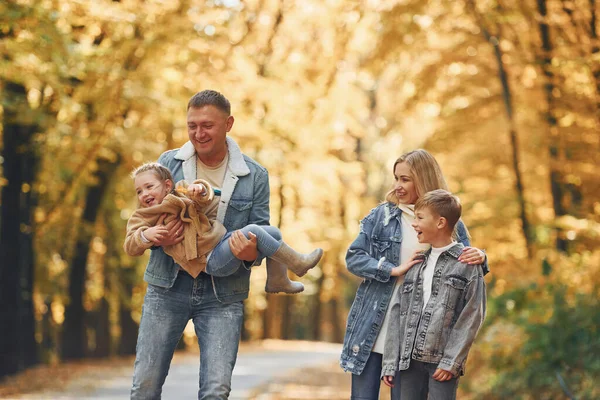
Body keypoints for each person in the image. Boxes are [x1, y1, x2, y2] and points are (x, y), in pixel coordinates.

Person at [130, 90, 282, 399]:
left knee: (216, 391)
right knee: (145, 386)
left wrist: (250, 254)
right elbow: (147, 216)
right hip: (166, 287)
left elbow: (260, 235)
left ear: (228, 124)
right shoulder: (167, 163)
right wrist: (158, 236)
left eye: (207, 126)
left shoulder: (255, 176)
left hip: (222, 294)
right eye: (192, 125)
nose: (199, 134)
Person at [339, 149, 489, 400]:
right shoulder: (382, 216)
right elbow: (354, 258)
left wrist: (483, 257)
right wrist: (391, 269)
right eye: (396, 178)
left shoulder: (447, 219)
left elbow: (464, 264)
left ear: (424, 178)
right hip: (373, 328)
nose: (398, 186)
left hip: (412, 337)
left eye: (405, 179)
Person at [124, 162, 322, 293]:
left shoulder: (181, 191)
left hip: (219, 242)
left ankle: (277, 280)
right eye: (139, 191)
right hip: (208, 260)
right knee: (254, 229)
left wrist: (200, 189)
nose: (144, 194)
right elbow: (130, 245)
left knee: (273, 232)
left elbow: (205, 198)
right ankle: (298, 263)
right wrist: (145, 235)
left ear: (167, 185)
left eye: (149, 187)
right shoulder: (143, 215)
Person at [381, 189, 486, 399]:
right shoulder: (416, 263)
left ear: (440, 223)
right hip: (408, 361)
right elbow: (397, 313)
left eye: (419, 218)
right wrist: (390, 361)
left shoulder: (468, 265)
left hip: (442, 363)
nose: (414, 223)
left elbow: (472, 315)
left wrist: (452, 361)